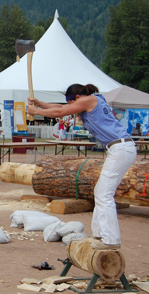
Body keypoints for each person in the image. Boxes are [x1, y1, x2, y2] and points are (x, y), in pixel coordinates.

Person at [27, 83, 136, 250]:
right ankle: (99, 235)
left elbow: (59, 112)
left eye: (71, 103)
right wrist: (40, 103)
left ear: (77, 98)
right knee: (101, 192)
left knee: (104, 194)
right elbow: (59, 107)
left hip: (120, 148)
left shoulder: (89, 100)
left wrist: (37, 112)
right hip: (119, 148)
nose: (72, 107)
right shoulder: (88, 101)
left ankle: (110, 240)